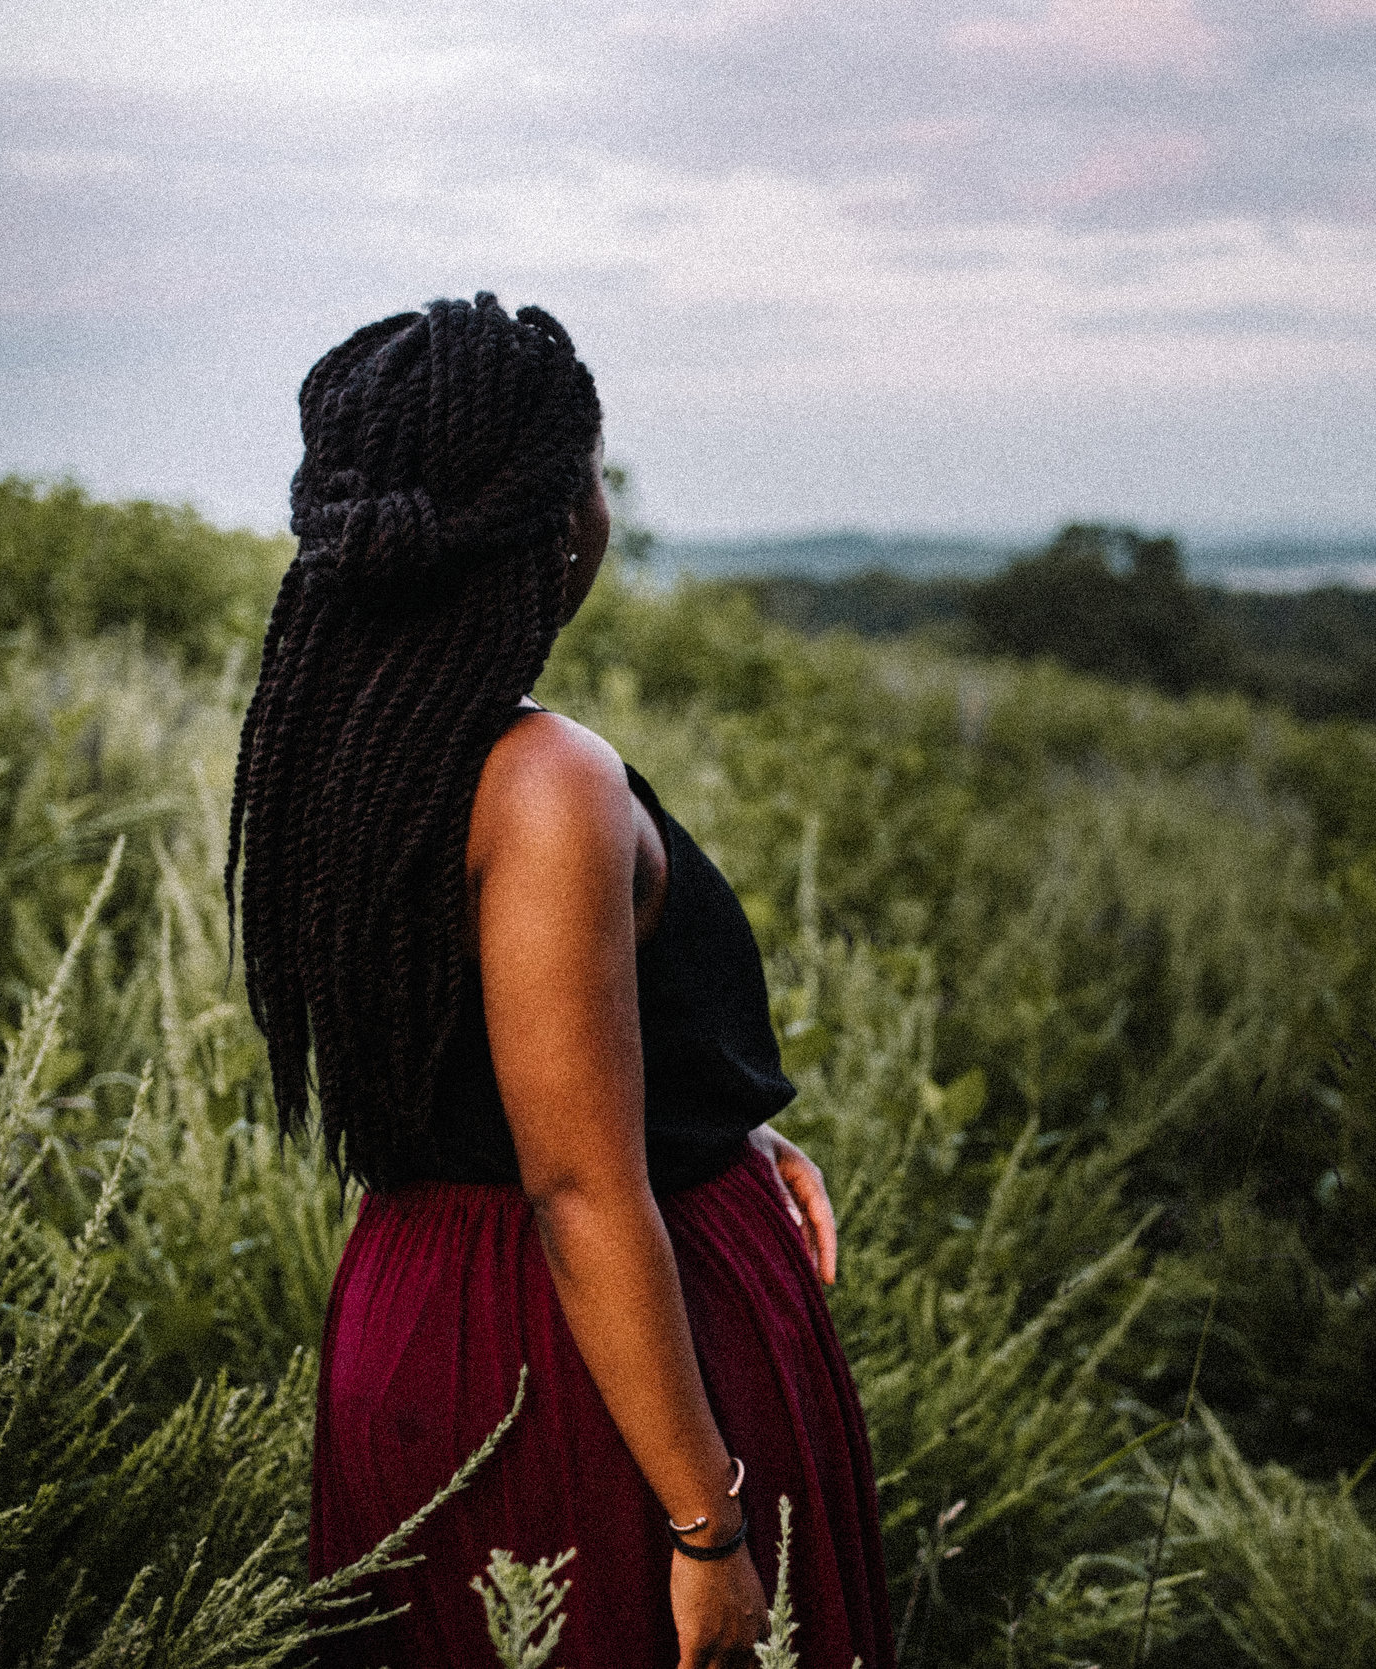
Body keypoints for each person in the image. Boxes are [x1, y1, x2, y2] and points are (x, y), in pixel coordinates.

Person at [227, 294, 895, 1669]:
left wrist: (721, 1122)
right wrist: (709, 1528)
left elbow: (499, 1059)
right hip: (574, 1360)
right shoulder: (548, 784)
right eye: (594, 468)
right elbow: (579, 1187)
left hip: (425, 1310)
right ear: (556, 515)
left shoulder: (340, 743)